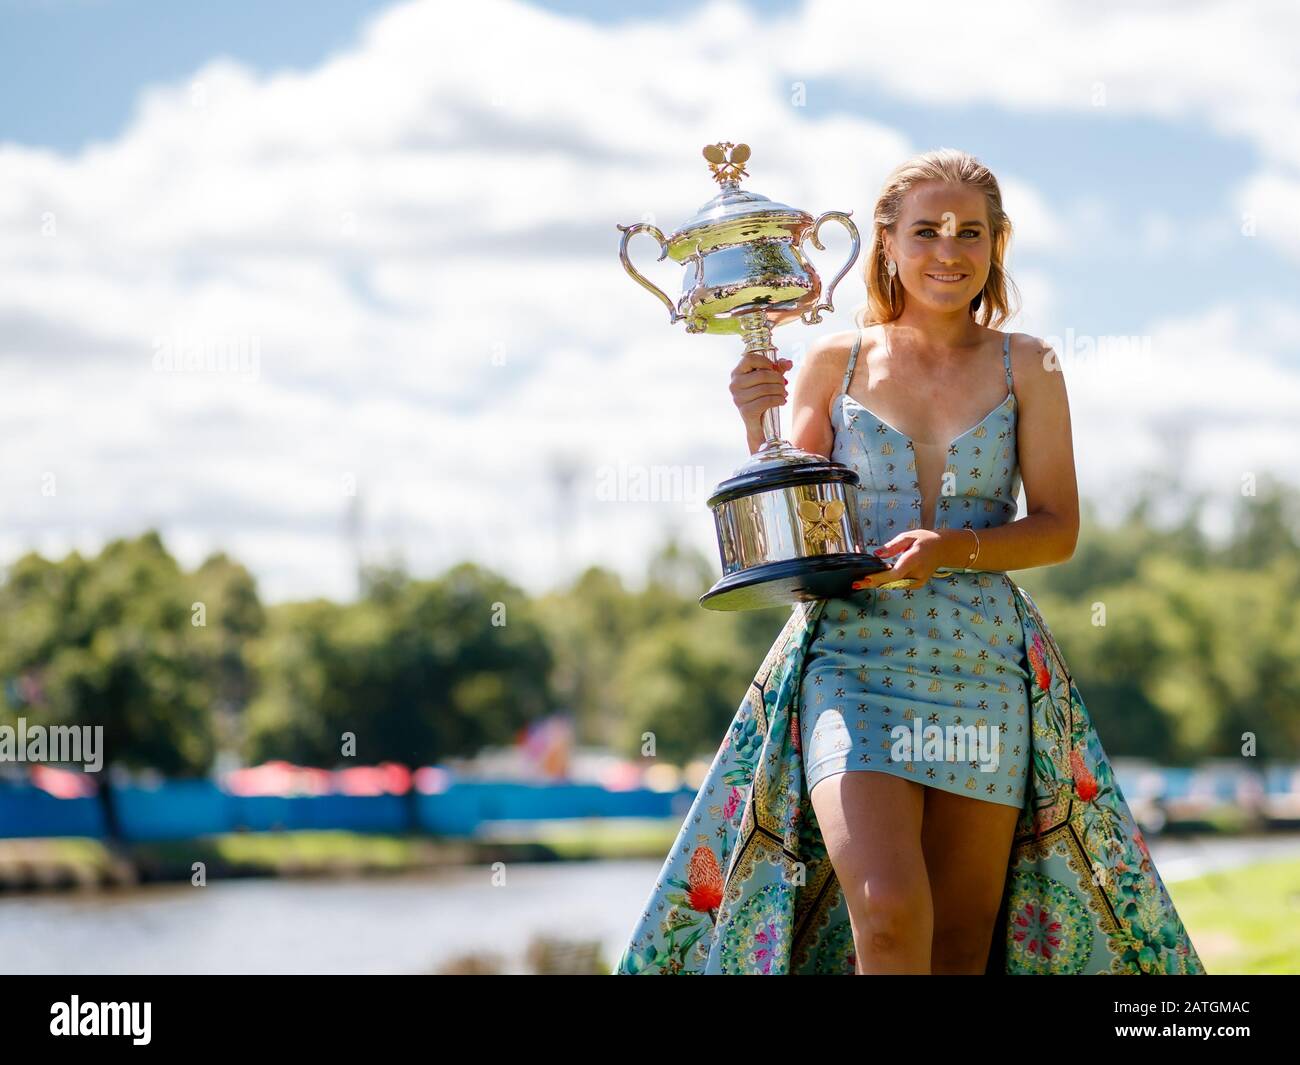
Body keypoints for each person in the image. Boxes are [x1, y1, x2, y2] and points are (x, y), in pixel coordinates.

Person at [613, 148, 1203, 976]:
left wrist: (952, 548)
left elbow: (1059, 526)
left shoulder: (1028, 363)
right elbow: (799, 524)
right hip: (852, 662)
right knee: (888, 915)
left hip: (982, 665)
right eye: (925, 230)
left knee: (960, 945)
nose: (948, 250)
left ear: (998, 244)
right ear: (885, 242)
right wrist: (758, 427)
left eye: (970, 232)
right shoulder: (832, 361)